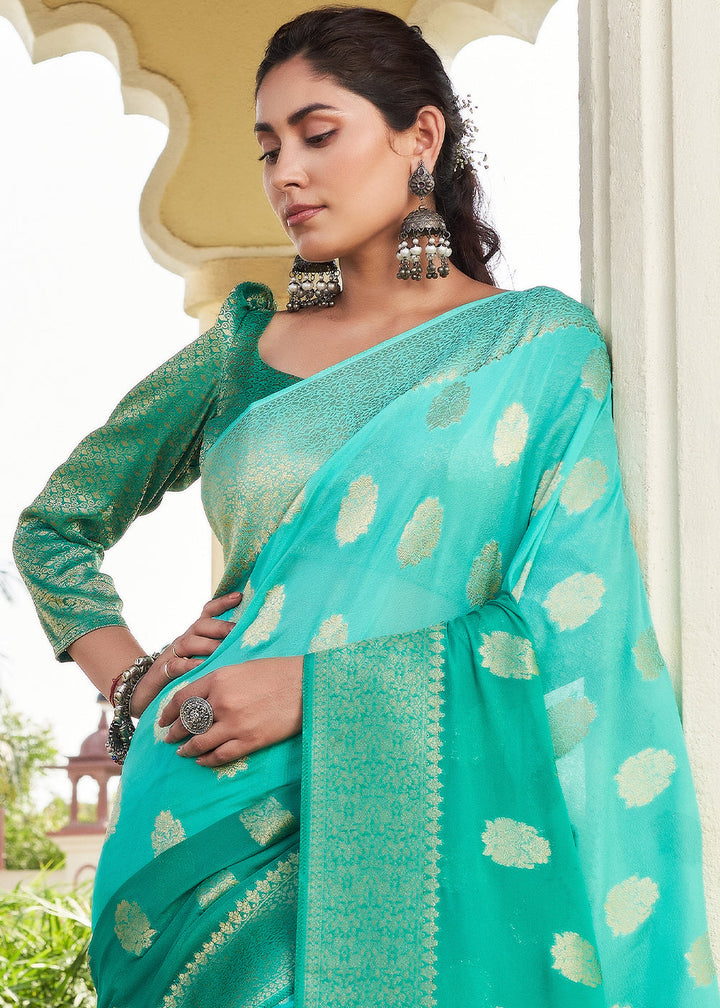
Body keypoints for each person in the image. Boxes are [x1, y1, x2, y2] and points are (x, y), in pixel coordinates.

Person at [13, 7, 718, 1007]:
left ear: (418, 136)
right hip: (206, 820)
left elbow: (573, 622)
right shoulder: (241, 351)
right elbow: (55, 527)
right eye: (269, 149)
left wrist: (320, 691)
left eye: (317, 134)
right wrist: (133, 680)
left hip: (422, 814)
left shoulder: (537, 349)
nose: (286, 175)